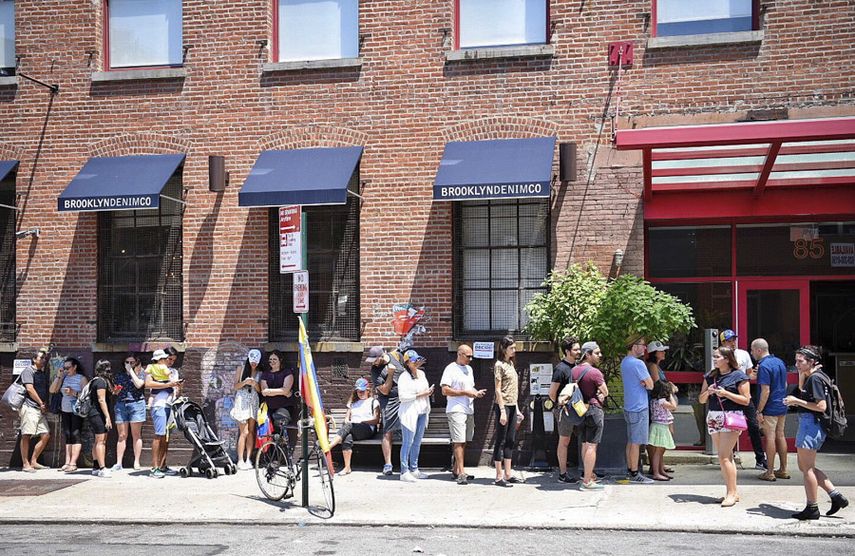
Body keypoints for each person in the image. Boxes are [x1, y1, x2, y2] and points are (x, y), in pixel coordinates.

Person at [784, 346, 849, 520]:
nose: (796, 364)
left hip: (811, 425)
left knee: (807, 470)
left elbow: (821, 407)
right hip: (811, 424)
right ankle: (835, 496)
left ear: (812, 361)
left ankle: (812, 507)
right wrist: (801, 374)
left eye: (800, 361)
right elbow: (803, 391)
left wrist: (796, 400)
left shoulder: (815, 379)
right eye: (796, 360)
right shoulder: (815, 376)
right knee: (806, 467)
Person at [698, 346, 751, 507]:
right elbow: (701, 400)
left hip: (732, 417)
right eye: (714, 356)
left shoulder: (738, 376)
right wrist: (709, 392)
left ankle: (731, 494)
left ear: (727, 359)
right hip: (714, 417)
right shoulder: (710, 376)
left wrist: (726, 393)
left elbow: (746, 400)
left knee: (723, 456)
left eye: (717, 357)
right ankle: (732, 492)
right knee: (725, 458)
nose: (714, 359)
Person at [720, 329, 766, 471]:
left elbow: (750, 375)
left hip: (743, 394)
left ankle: (760, 459)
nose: (733, 343)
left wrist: (755, 375)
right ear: (723, 342)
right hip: (728, 395)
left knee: (753, 425)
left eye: (734, 339)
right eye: (729, 340)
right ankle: (729, 457)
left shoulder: (743, 354)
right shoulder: (720, 355)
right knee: (729, 426)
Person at [441, 344, 486, 485]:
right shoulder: (450, 369)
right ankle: (461, 473)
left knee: (464, 440)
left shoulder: (469, 369)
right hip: (456, 409)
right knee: (458, 441)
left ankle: (456, 470)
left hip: (468, 409)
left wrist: (475, 392)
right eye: (468, 356)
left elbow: (469, 387)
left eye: (472, 356)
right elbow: (445, 390)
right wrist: (466, 393)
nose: (470, 359)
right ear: (459, 354)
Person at [752, 338, 790, 482]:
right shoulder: (779, 362)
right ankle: (783, 469)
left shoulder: (764, 366)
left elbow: (765, 391)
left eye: (752, 350)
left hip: (770, 407)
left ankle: (770, 472)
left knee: (770, 437)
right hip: (782, 404)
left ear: (759, 350)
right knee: (780, 435)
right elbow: (785, 384)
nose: (752, 353)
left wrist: (759, 410)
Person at [572, 341, 608, 491]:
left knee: (585, 443)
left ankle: (587, 475)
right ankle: (587, 481)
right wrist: (600, 395)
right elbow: (605, 392)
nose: (600, 355)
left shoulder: (574, 370)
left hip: (580, 410)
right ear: (588, 354)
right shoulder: (595, 372)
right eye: (597, 353)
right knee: (592, 445)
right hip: (593, 410)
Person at [547, 336, 582, 484]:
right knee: (564, 441)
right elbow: (552, 392)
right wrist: (559, 406)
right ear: (567, 351)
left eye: (579, 349)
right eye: (575, 349)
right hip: (565, 410)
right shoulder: (560, 369)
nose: (578, 351)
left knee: (584, 438)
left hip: (579, 408)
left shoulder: (578, 367)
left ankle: (586, 470)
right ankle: (562, 474)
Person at [328, 378, 380, 474]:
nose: (360, 393)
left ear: (368, 390)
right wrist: (349, 422)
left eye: (362, 391)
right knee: (347, 437)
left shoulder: (373, 402)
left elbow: (376, 420)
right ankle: (347, 467)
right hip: (353, 428)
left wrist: (361, 422)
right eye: (358, 391)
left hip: (367, 429)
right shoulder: (353, 403)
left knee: (350, 426)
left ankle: (329, 446)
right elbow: (347, 418)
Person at [621, 335, 654, 484]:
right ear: (634, 346)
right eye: (642, 345)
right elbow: (651, 385)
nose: (644, 348)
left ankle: (630, 470)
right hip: (639, 407)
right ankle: (635, 473)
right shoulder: (638, 364)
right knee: (636, 442)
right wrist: (645, 383)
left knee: (630, 440)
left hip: (629, 406)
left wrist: (644, 382)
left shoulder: (624, 362)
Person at [144, 349, 182, 479]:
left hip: (169, 406)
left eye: (173, 360)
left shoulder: (174, 372)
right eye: (169, 359)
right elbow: (148, 383)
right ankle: (154, 468)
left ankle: (162, 466)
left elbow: (176, 390)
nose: (170, 362)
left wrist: (178, 387)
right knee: (159, 435)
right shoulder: (154, 369)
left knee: (166, 437)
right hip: (159, 405)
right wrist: (168, 384)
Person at [492, 336, 524, 486]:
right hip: (503, 405)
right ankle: (499, 476)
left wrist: (516, 409)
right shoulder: (499, 365)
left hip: (512, 405)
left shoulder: (511, 364)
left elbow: (513, 390)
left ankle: (508, 473)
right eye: (511, 348)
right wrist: (502, 410)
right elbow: (498, 390)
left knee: (510, 440)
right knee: (501, 439)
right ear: (504, 348)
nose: (514, 350)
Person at [398, 350, 433, 482]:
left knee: (417, 442)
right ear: (407, 362)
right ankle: (404, 471)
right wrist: (421, 395)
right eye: (413, 360)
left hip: (422, 411)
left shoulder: (422, 374)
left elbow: (425, 390)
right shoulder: (403, 377)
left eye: (417, 359)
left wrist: (428, 392)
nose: (417, 362)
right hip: (409, 413)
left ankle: (414, 469)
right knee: (407, 442)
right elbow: (402, 397)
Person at [367, 345, 402, 476]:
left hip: (405, 398)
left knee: (409, 429)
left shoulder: (396, 357)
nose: (374, 363)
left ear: (382, 356)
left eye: (375, 360)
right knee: (387, 431)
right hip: (389, 400)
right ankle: (388, 464)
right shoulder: (375, 370)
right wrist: (390, 374)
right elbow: (385, 390)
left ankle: (409, 464)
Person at [50, 356, 87, 473]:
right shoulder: (64, 377)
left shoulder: (81, 378)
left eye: (68, 367)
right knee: (67, 434)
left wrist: (73, 392)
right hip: (65, 409)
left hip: (77, 411)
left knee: (75, 434)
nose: (66, 370)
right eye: (64, 368)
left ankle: (73, 463)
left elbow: (86, 396)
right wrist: (59, 375)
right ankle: (67, 462)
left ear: (75, 367)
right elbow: (52, 390)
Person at [644, 340, 676, 476]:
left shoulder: (657, 366)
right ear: (654, 353)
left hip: (663, 407)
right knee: (657, 438)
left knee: (664, 437)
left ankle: (659, 465)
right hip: (658, 406)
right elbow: (658, 384)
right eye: (661, 350)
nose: (663, 353)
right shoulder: (652, 366)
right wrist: (670, 387)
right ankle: (655, 466)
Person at [112, 353, 146, 471]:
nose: (129, 364)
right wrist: (115, 391)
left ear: (136, 363)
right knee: (122, 435)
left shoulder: (141, 373)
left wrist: (131, 371)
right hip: (121, 404)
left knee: (136, 435)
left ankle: (136, 462)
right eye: (127, 362)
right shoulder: (119, 375)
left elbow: (139, 385)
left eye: (132, 362)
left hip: (136, 403)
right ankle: (118, 463)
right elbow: (115, 391)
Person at [17, 349, 51, 472]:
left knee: (45, 435)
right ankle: (25, 464)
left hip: (39, 409)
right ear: (34, 359)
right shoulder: (28, 371)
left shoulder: (40, 373)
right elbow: (30, 389)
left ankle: (34, 461)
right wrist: (41, 403)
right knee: (26, 435)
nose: (43, 360)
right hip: (30, 407)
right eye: (41, 358)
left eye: (44, 358)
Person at [231, 349, 262, 470]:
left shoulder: (259, 372)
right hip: (242, 399)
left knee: (251, 431)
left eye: (256, 362)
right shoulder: (241, 369)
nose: (254, 364)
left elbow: (260, 391)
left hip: (253, 400)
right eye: (252, 361)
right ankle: (240, 459)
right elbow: (235, 386)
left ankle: (249, 459)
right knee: (243, 431)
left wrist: (255, 384)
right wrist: (244, 382)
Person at [260, 350, 296, 441]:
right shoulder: (265, 374)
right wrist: (282, 391)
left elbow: (285, 390)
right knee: (268, 432)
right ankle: (272, 453)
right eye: (270, 359)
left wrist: (270, 391)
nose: (272, 361)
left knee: (279, 425)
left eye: (275, 359)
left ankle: (283, 449)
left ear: (280, 360)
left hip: (284, 406)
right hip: (269, 408)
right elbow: (264, 391)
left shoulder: (287, 373)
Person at [648, 380, 678, 482]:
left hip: (657, 425)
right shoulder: (661, 401)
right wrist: (670, 394)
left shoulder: (653, 400)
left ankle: (660, 471)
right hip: (661, 427)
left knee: (660, 451)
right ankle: (656, 473)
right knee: (659, 451)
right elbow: (674, 406)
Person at [88, 360, 114, 478]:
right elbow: (101, 399)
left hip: (94, 414)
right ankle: (102, 468)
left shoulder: (96, 381)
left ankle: (95, 466)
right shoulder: (101, 382)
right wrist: (107, 417)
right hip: (98, 414)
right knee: (101, 441)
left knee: (97, 440)